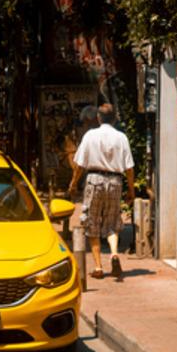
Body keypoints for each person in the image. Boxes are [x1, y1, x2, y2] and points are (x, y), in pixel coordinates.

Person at [67, 103, 135, 282]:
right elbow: (129, 168)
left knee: (92, 222)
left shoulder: (90, 135)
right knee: (112, 221)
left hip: (95, 180)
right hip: (115, 181)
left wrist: (73, 184)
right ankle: (114, 254)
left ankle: (98, 267)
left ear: (98, 118)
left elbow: (79, 165)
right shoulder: (121, 137)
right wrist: (131, 191)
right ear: (114, 119)